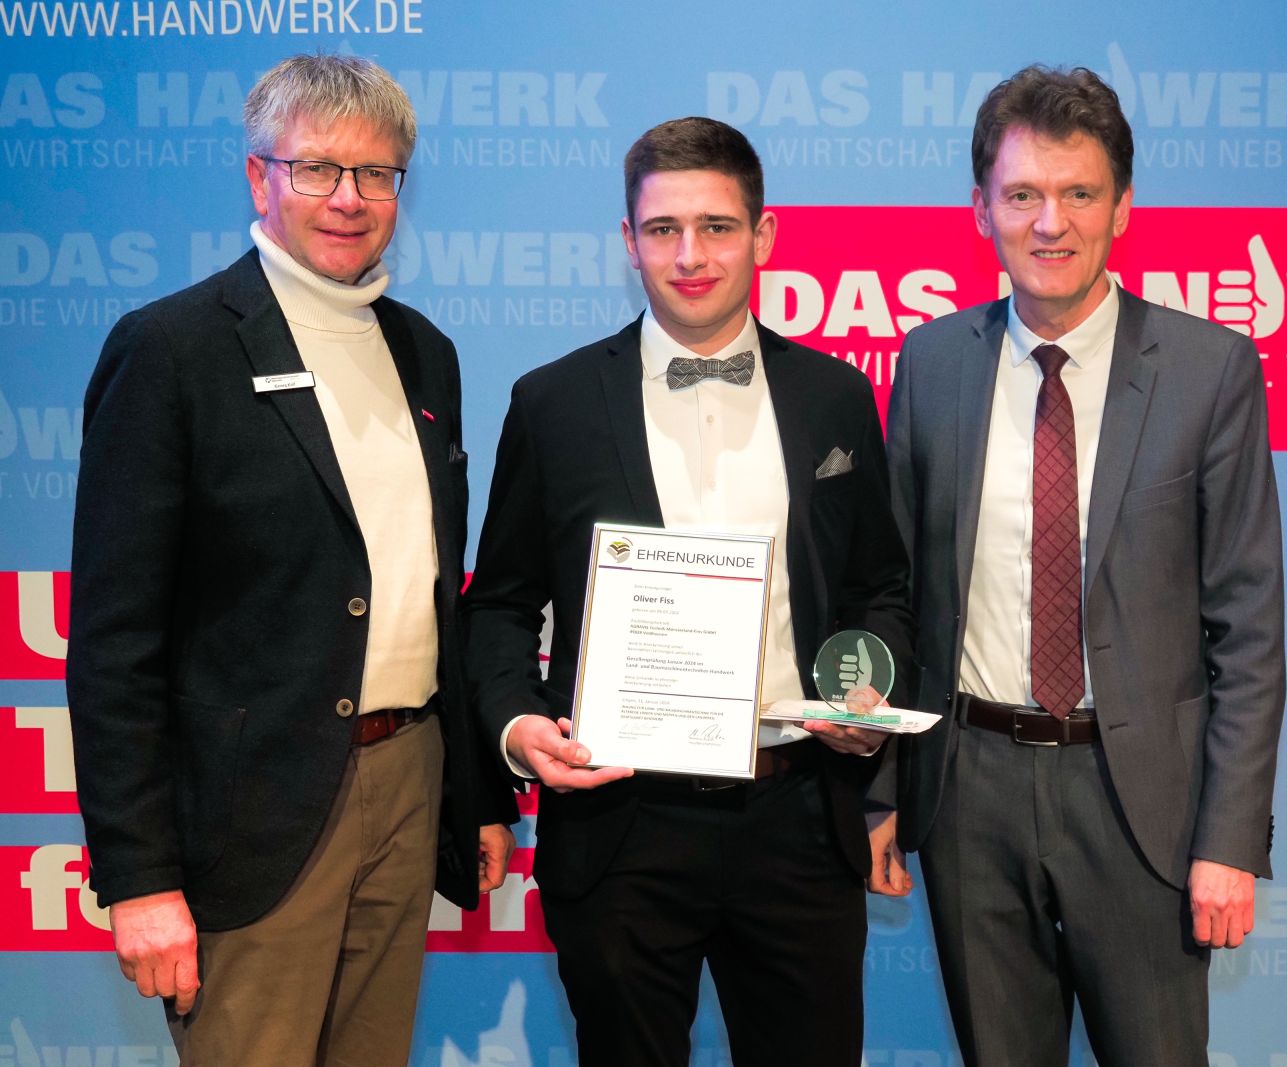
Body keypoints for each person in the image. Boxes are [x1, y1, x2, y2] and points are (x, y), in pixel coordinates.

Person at [66, 53, 518, 1067]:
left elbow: (436, 597)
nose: (347, 198)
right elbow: (113, 644)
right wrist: (139, 877)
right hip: (251, 815)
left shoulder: (425, 352)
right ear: (258, 176)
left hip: (409, 782)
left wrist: (478, 795)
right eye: (316, 167)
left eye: (376, 173)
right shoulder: (171, 349)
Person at [464, 116, 913, 1066]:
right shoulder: (553, 403)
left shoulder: (835, 395)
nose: (690, 255)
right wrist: (515, 723)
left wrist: (868, 694)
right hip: (620, 824)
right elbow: (500, 602)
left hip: (799, 819)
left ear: (764, 235)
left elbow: (880, 586)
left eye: (716, 227)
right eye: (663, 229)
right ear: (628, 242)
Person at [867, 65, 1286, 1065]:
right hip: (968, 789)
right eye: (1021, 194)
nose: (1049, 223)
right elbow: (896, 598)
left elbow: (1248, 631)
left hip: (1139, 800)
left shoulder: (1208, 371)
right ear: (980, 209)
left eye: (1078, 193)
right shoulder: (930, 365)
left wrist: (1229, 838)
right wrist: (880, 792)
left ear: (1122, 207)